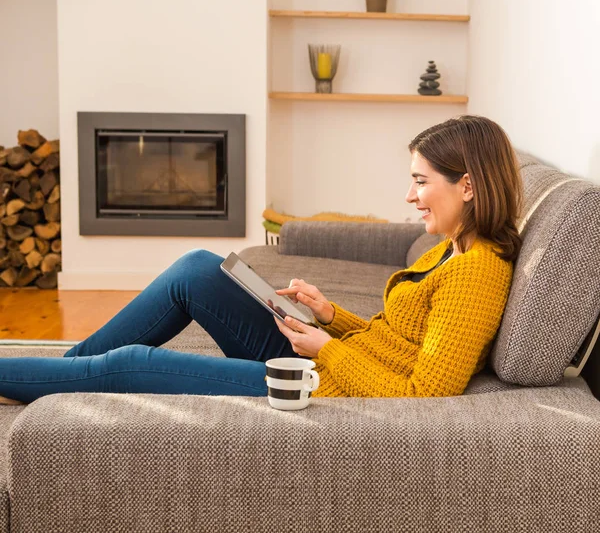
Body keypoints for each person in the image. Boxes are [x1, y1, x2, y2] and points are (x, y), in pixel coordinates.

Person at [0, 115, 522, 404]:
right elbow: (398, 342)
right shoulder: (455, 246)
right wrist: (329, 316)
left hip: (319, 382)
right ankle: (62, 376)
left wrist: (324, 350)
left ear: (469, 185)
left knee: (133, 365)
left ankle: (47, 377)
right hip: (330, 359)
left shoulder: (477, 273)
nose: (410, 197)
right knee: (196, 271)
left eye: (420, 182)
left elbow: (424, 391)